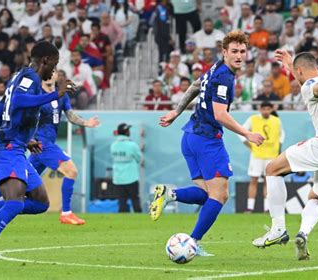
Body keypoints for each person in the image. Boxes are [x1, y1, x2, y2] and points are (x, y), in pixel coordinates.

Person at [0, 41, 77, 269]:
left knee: (40, 203)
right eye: (54, 63)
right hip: (7, 148)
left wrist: (23, 137)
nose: (54, 69)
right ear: (45, 60)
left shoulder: (20, 78)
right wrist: (55, 94)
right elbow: (19, 101)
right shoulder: (31, 78)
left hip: (15, 145)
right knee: (14, 203)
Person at [149, 31, 264, 256]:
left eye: (242, 51)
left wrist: (176, 111)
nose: (239, 55)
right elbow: (220, 114)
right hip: (207, 141)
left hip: (190, 137)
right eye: (234, 51)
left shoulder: (215, 68)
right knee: (220, 196)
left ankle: (168, 194)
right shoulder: (225, 77)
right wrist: (246, 133)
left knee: (206, 194)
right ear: (224, 52)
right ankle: (192, 242)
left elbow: (194, 86)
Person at [252, 50, 318, 261]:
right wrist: (289, 64)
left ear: (300, 71)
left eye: (296, 73)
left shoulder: (316, 85)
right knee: (315, 196)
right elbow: (316, 84)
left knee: (272, 169)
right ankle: (303, 234)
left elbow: (317, 87)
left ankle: (277, 230)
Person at [0, 71, 100, 225]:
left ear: (57, 76)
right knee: (71, 170)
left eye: (54, 72)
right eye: (50, 71)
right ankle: (66, 213)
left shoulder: (61, 95)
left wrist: (86, 123)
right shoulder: (36, 95)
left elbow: (69, 115)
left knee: (23, 180)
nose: (51, 74)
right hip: (41, 143)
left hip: (41, 147)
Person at [239, 102, 284, 213]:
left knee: (267, 181)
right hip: (257, 155)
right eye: (264, 109)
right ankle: (250, 207)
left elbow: (281, 135)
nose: (266, 111)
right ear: (259, 109)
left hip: (271, 156)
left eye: (268, 109)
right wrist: (249, 146)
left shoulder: (276, 120)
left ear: (271, 109)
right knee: (253, 180)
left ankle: (267, 208)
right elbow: (241, 132)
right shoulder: (253, 119)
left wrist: (278, 149)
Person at [110, 123, 142, 213]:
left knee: (122, 201)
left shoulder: (113, 145)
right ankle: (140, 221)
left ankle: (121, 222)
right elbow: (139, 158)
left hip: (118, 178)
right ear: (127, 132)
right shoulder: (132, 145)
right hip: (131, 177)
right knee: (135, 199)